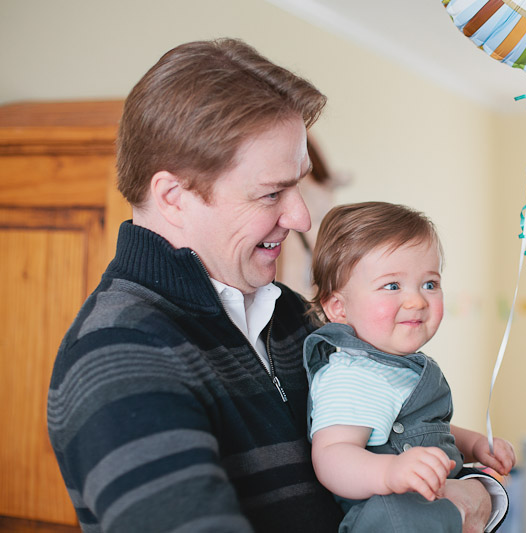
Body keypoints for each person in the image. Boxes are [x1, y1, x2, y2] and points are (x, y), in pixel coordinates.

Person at [46, 38, 495, 532]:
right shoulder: (118, 352)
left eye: (297, 185)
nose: (301, 217)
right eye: (271, 193)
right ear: (173, 196)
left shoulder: (291, 316)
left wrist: (483, 494)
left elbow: (406, 435)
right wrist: (458, 509)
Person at [304, 202, 516, 532]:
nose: (417, 300)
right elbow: (332, 455)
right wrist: (390, 472)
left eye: (429, 284)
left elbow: (419, 428)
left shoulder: (396, 368)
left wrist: (474, 444)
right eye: (392, 285)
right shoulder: (352, 374)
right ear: (338, 308)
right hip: (391, 520)